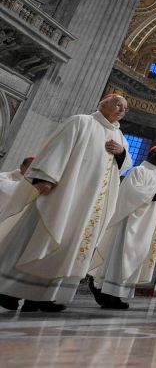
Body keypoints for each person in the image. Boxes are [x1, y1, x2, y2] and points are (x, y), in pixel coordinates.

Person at [0, 94, 131, 312]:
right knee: (40, 237)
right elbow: (58, 148)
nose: (121, 109)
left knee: (67, 246)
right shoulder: (82, 121)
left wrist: (122, 153)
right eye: (118, 104)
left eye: (125, 108)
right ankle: (7, 289)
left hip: (88, 204)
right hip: (63, 194)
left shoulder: (120, 137)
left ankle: (42, 296)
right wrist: (45, 177)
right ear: (103, 103)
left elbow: (124, 166)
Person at [88, 145, 156, 309]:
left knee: (134, 260)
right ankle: (105, 292)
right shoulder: (138, 171)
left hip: (147, 226)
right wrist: (155, 193)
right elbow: (129, 194)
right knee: (120, 256)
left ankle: (117, 295)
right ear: (151, 153)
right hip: (130, 224)